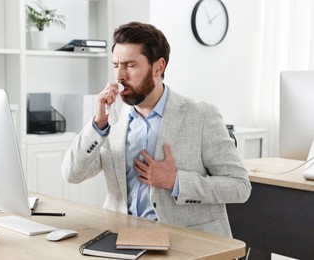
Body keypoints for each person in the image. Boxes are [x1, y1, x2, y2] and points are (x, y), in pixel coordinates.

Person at [61, 21, 251, 237]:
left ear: (158, 67)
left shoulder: (201, 115)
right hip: (122, 239)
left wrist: (176, 181)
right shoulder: (111, 117)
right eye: (115, 65)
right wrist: (98, 125)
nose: (119, 76)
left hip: (188, 242)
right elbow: (72, 174)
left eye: (130, 65)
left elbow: (239, 186)